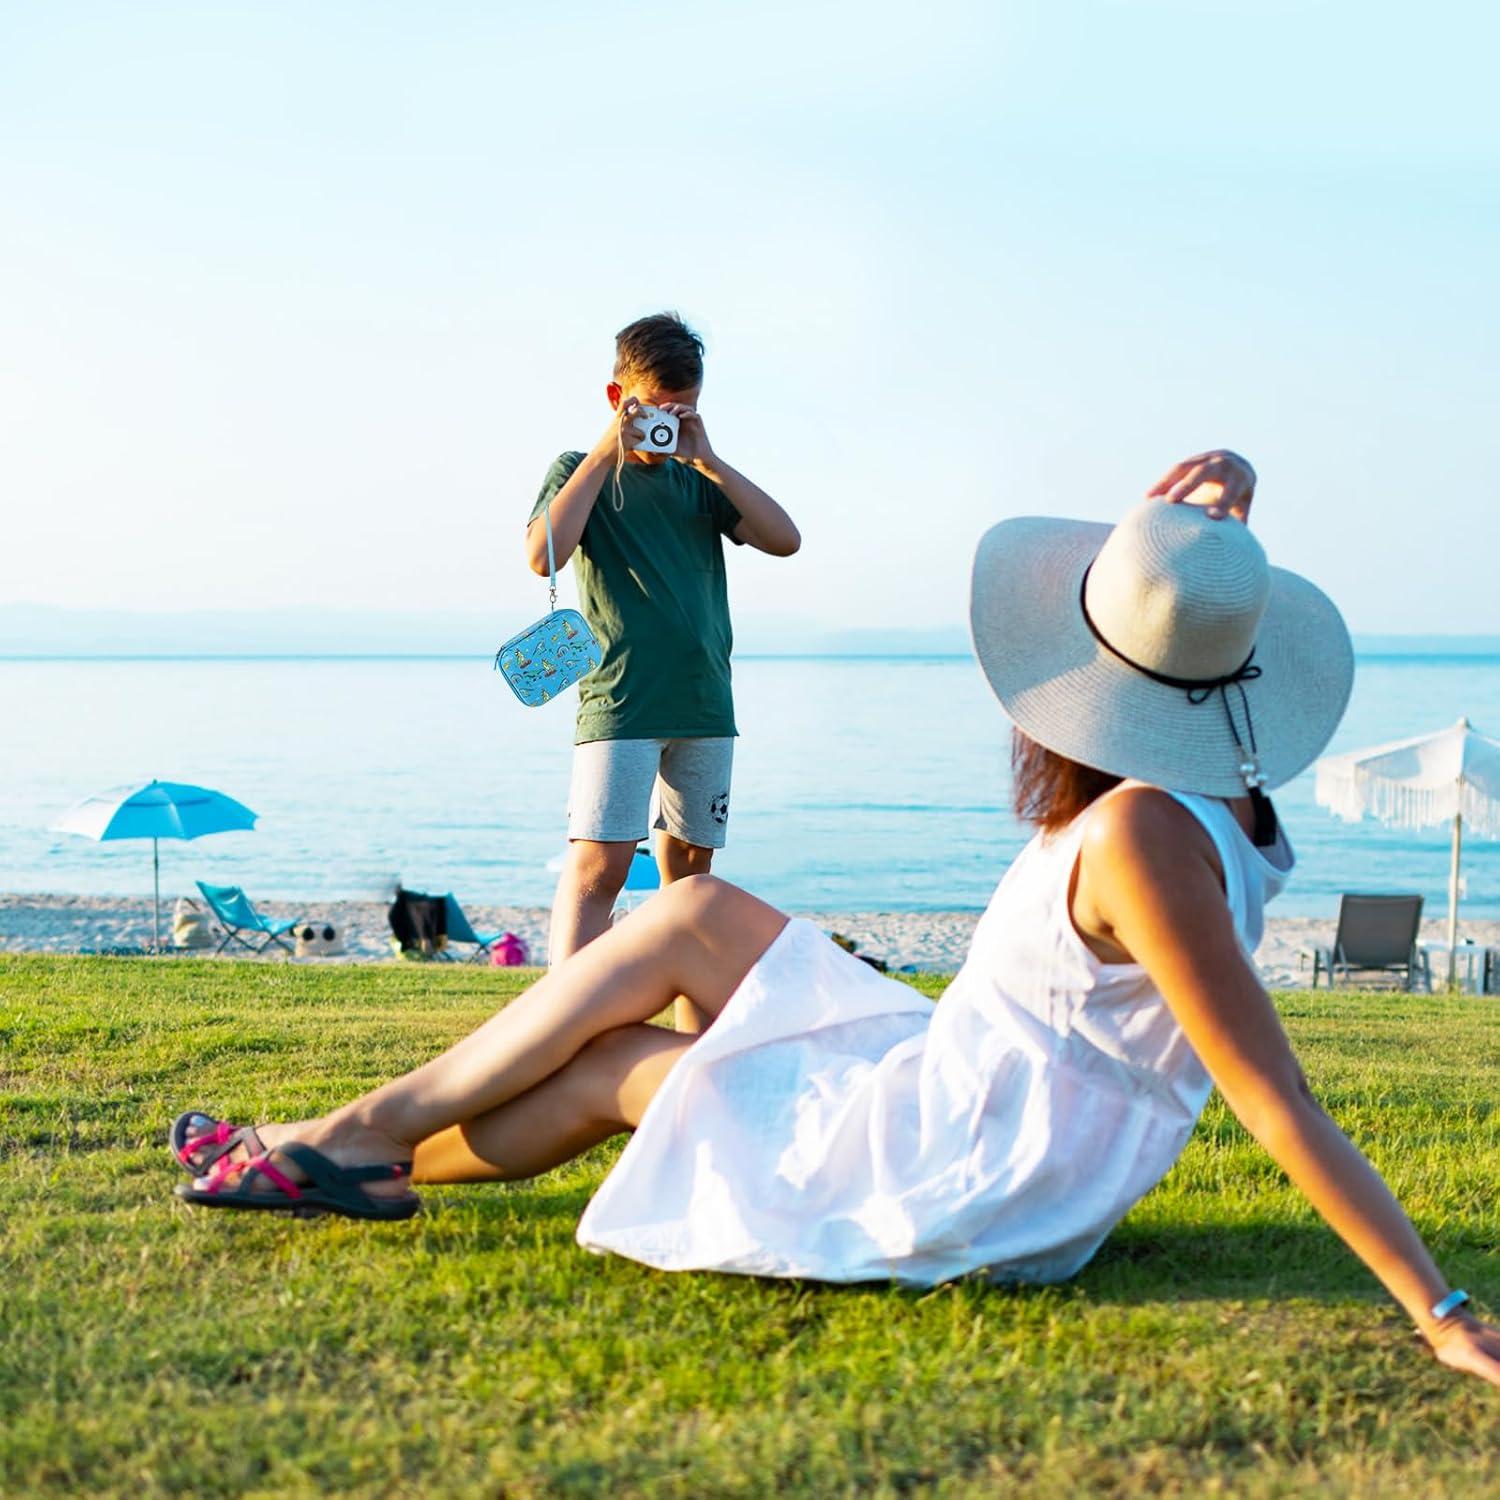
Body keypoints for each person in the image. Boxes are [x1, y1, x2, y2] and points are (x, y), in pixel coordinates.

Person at [171, 451, 1499, 1389]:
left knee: (622, 1070)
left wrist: (1438, 1310)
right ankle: (348, 1154)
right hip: (967, 1071)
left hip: (971, 1157)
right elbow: (1184, 598)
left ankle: (334, 1150)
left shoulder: (1147, 833)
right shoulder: (1231, 787)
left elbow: (1275, 1100)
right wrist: (1216, 512)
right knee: (686, 909)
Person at [525, 312, 800, 1002]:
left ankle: (692, 1037)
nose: (668, 426)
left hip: (706, 703)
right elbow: (542, 555)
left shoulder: (700, 480)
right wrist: (603, 450)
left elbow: (785, 539)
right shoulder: (579, 471)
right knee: (599, 867)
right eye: (655, 410)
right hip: (620, 701)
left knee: (692, 878)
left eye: (686, 411)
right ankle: (564, 1016)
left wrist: (710, 458)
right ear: (620, 398)